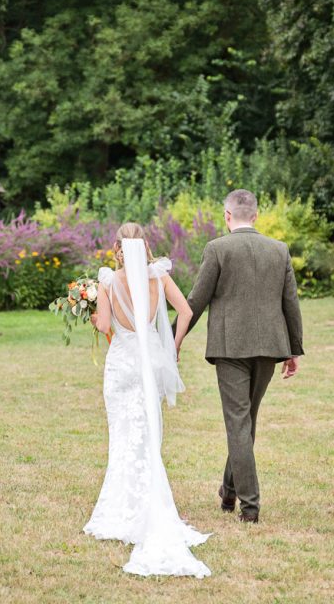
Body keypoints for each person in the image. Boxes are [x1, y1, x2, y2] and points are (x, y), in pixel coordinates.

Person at [84, 223, 210, 578]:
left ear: (117, 248)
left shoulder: (107, 281)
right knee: (149, 437)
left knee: (122, 436)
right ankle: (147, 505)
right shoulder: (158, 278)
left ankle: (120, 511)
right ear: (145, 246)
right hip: (151, 362)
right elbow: (185, 312)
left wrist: (91, 314)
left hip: (122, 365)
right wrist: (175, 345)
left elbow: (104, 323)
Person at [181, 188, 304, 524]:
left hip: (230, 347)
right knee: (245, 423)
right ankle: (229, 491)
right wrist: (294, 349)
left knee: (238, 423)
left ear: (227, 216)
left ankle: (250, 508)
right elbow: (290, 303)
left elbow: (196, 301)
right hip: (270, 348)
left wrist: (173, 339)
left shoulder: (217, 248)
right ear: (256, 216)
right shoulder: (279, 250)